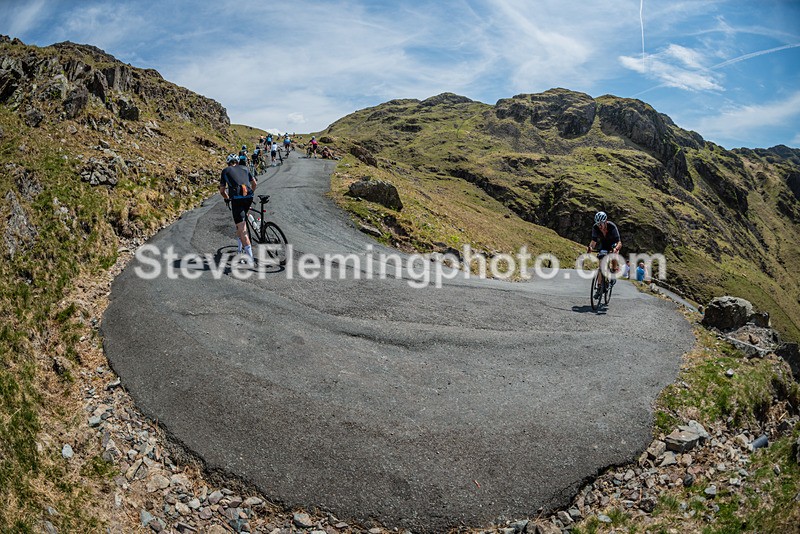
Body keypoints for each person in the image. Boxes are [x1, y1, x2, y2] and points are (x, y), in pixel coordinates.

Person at [219, 153, 257, 262]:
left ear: (228, 163)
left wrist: (227, 198)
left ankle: (250, 260)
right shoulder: (245, 168)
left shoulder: (225, 171)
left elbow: (222, 191)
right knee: (241, 222)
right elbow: (254, 184)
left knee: (242, 228)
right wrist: (250, 194)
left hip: (237, 199)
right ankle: (240, 249)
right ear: (238, 162)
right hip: (249, 196)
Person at [587, 211, 622, 298]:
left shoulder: (612, 226)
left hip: (613, 244)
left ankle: (613, 271)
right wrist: (590, 247)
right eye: (598, 223)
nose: (599, 226)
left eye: (601, 223)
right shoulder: (595, 227)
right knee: (601, 265)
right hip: (604, 244)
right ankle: (599, 287)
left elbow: (619, 242)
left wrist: (615, 249)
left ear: (605, 222)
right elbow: (593, 241)